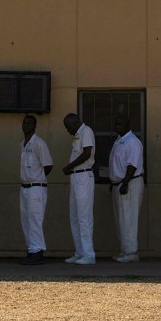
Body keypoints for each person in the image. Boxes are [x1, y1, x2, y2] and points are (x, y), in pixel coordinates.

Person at [108, 114, 144, 263]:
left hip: (129, 183)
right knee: (121, 220)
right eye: (116, 124)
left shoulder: (133, 142)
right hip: (119, 184)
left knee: (129, 218)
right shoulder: (119, 141)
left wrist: (125, 183)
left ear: (128, 124)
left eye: (120, 124)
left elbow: (132, 165)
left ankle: (131, 252)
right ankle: (124, 250)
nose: (117, 126)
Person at [61, 113, 96, 265]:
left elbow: (87, 153)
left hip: (83, 177)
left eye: (68, 127)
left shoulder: (86, 131)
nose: (67, 131)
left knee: (84, 217)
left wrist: (70, 166)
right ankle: (79, 252)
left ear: (74, 123)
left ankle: (88, 254)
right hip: (75, 177)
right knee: (75, 217)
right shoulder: (78, 134)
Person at [18, 114, 53, 265]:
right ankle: (31, 250)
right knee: (26, 220)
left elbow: (48, 166)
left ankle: (38, 251)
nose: (26, 125)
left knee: (35, 220)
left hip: (36, 188)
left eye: (29, 123)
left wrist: (37, 178)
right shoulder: (23, 144)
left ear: (35, 126)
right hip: (24, 187)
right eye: (24, 123)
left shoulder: (39, 143)